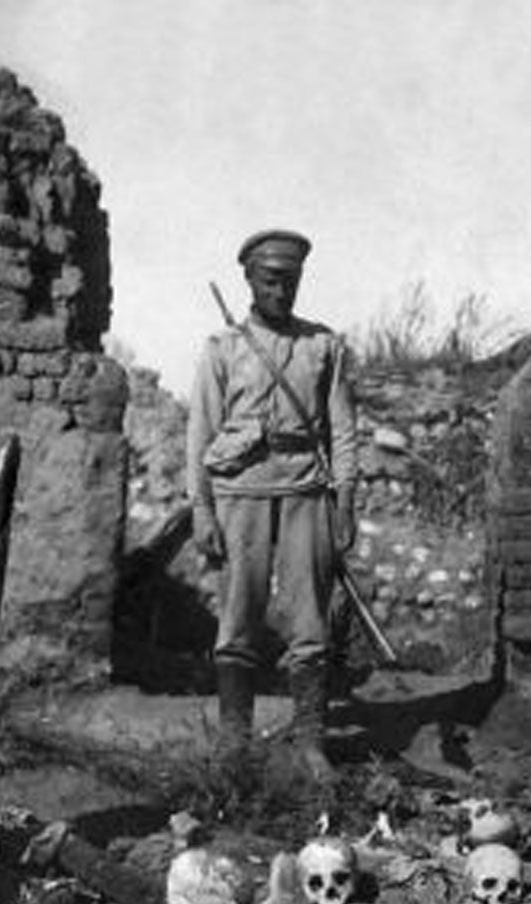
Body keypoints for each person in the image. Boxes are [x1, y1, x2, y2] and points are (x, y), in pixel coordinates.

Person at [187, 228, 359, 783]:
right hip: (239, 492)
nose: (281, 292)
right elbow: (200, 435)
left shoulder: (322, 347)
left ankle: (312, 744)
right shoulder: (223, 349)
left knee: (310, 620)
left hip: (307, 490)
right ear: (250, 280)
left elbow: (343, 432)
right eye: (270, 280)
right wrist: (202, 510)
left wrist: (347, 502)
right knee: (237, 618)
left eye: (291, 281)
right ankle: (233, 745)